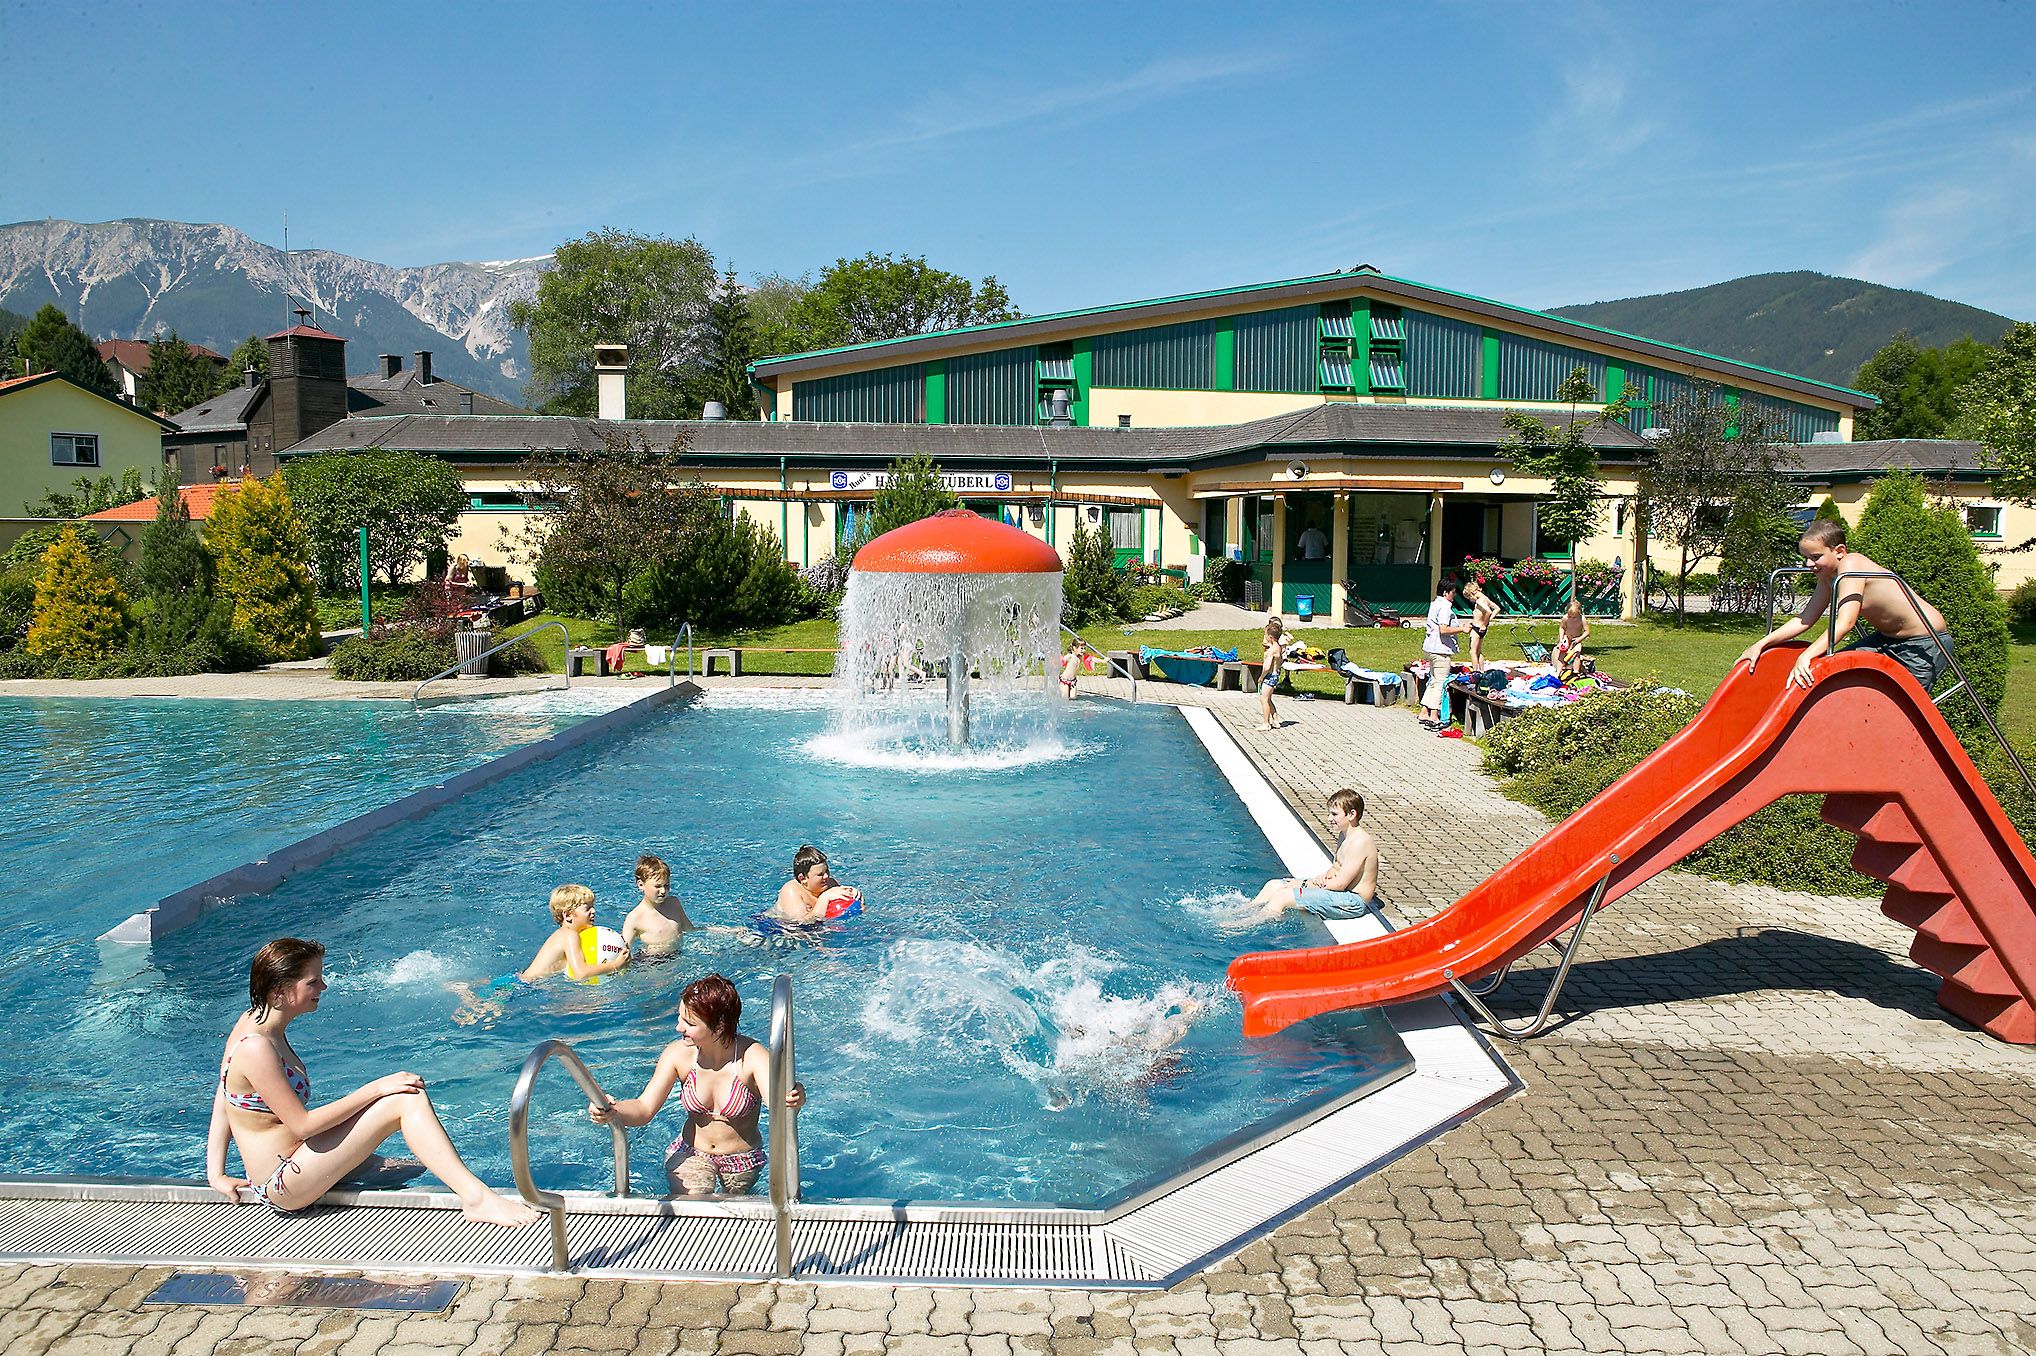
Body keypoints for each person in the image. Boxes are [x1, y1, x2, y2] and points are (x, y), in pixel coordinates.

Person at [208, 937, 537, 1226]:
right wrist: (377, 1088)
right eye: (313, 982)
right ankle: (476, 1198)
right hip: (283, 1182)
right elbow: (303, 1125)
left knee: (412, 1169)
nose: (322, 988)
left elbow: (224, 1094)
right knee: (404, 1099)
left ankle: (471, 1190)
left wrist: (215, 1172)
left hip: (302, 1159)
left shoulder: (253, 1021)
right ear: (280, 992)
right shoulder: (256, 1047)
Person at [590, 973, 805, 1197]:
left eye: (689, 1023)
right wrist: (612, 1110)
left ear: (719, 1026)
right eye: (680, 1018)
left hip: (741, 1161)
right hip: (691, 1154)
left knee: (730, 1218)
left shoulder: (752, 1057)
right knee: (694, 1207)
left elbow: (779, 1107)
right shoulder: (679, 1054)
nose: (678, 1028)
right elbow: (644, 1109)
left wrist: (794, 1099)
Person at [1737, 518, 1955, 693]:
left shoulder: (1852, 564)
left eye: (1815, 557)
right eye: (1805, 558)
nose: (1808, 565)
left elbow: (1845, 622)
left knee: (1900, 708)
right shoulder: (1829, 576)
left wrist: (1807, 654)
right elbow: (1805, 619)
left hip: (1924, 644)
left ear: (1839, 551)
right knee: (1837, 676)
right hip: (1887, 640)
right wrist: (1761, 644)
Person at [1248, 789, 1380, 920]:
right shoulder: (1344, 835)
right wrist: (1325, 876)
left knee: (1283, 896)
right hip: (1341, 894)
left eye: (1334, 814)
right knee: (1273, 885)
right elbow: (1337, 867)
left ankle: (1250, 925)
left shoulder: (1359, 842)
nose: (1329, 818)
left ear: (1351, 814)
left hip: (1352, 901)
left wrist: (1302, 883)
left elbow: (1340, 885)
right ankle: (1245, 913)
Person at [1420, 578, 1467, 730]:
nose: (1454, 596)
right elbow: (1444, 629)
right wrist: (1462, 629)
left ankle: (1424, 712)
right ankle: (1434, 714)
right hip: (1440, 649)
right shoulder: (1445, 607)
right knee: (1441, 682)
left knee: (1433, 680)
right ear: (1446, 592)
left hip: (1431, 647)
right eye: (1453, 593)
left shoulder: (1435, 604)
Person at [621, 855, 693, 954]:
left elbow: (690, 930)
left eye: (666, 885)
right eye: (657, 886)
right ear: (641, 885)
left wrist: (712, 930)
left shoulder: (674, 904)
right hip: (652, 962)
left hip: (678, 955)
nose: (663, 891)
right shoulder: (635, 918)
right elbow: (623, 952)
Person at [773, 845, 861, 925]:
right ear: (802, 878)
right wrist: (825, 897)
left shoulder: (830, 883)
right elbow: (802, 923)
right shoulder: (791, 890)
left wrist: (855, 896)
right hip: (776, 928)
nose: (826, 876)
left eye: (827, 871)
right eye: (820, 874)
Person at [1463, 578, 1501, 671]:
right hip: (1482, 628)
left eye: (1469, 598)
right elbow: (1496, 608)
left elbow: (1488, 612)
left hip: (1477, 628)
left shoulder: (1479, 600)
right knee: (1479, 651)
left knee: (1472, 651)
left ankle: (1475, 671)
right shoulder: (1486, 599)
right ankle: (1482, 670)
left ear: (1472, 593)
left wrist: (1484, 624)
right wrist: (1487, 621)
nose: (1470, 600)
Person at [1551, 600, 1591, 679]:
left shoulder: (1582, 619)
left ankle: (1575, 672)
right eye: (1570, 616)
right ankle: (1558, 671)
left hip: (1577, 639)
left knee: (1577, 654)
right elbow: (1562, 628)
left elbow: (1587, 631)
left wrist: (1579, 639)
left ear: (1579, 613)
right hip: (1567, 638)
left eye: (1574, 617)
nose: (1572, 618)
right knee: (1561, 654)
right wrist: (1562, 639)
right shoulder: (1565, 618)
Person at [1258, 616, 1285, 731]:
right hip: (1275, 675)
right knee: (1268, 699)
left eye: (1265, 636)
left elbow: (1267, 667)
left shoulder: (1271, 651)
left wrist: (1261, 677)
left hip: (1269, 676)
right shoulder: (1278, 647)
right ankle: (1276, 720)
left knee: (1263, 700)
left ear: (1270, 637)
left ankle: (1266, 723)